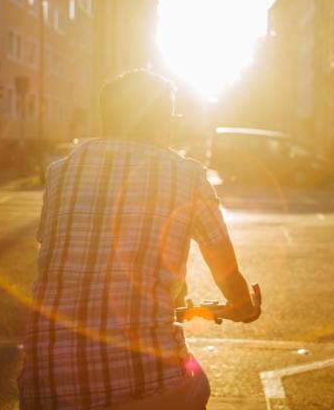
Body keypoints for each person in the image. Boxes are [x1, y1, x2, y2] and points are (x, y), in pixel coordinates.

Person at [18, 70, 261, 410]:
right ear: (161, 120)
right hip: (144, 383)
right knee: (195, 385)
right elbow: (226, 271)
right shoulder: (186, 175)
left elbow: (58, 258)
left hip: (45, 383)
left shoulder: (61, 171)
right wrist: (244, 306)